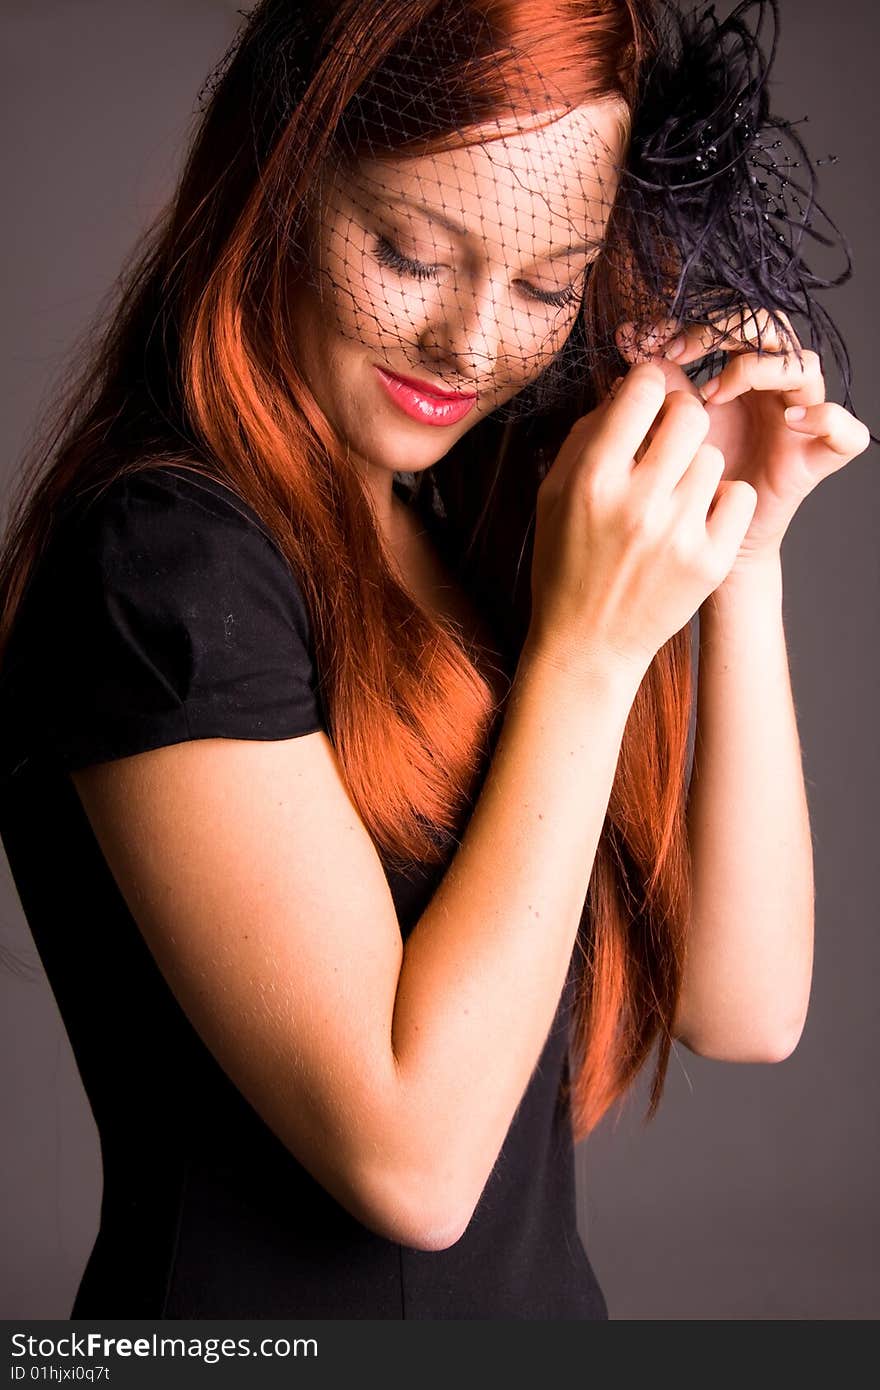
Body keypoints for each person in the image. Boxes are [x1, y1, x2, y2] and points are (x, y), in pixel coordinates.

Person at [0, 0, 870, 1321]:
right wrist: (587, 650)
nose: (470, 347)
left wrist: (743, 550)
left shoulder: (458, 522)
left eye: (543, 284)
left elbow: (747, 1007)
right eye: (411, 253)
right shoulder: (162, 563)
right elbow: (411, 1161)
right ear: (284, 184)